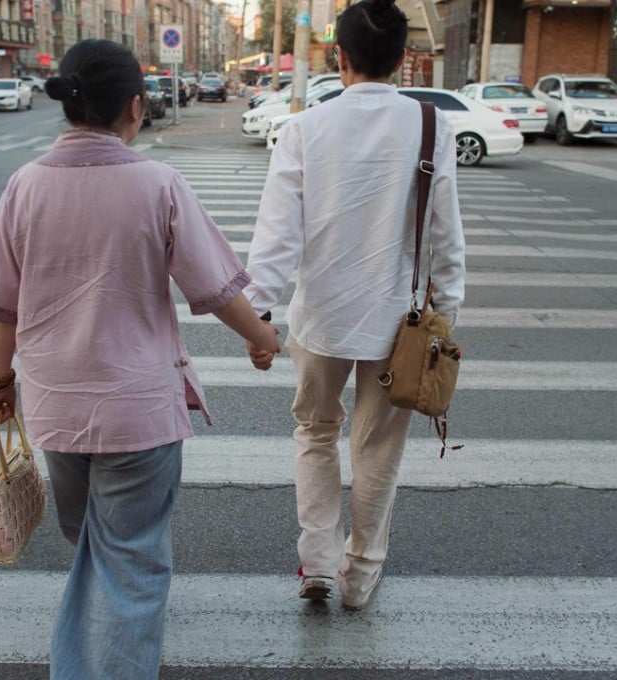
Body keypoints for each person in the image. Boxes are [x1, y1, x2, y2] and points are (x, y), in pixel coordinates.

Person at [0, 39, 280, 680]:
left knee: (91, 544)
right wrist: (265, 338)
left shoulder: (24, 186)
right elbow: (214, 287)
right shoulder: (157, 183)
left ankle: (99, 639)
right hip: (140, 413)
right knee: (131, 562)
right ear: (136, 106)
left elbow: (4, 305)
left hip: (58, 408)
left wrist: (1, 384)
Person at [241, 0, 465, 611]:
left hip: (318, 321)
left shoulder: (304, 130)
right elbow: (445, 236)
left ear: (337, 57)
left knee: (315, 432)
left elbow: (277, 241)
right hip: (399, 325)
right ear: (402, 60)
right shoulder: (430, 126)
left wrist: (257, 316)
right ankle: (360, 577)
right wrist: (448, 313)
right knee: (377, 452)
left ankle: (315, 563)